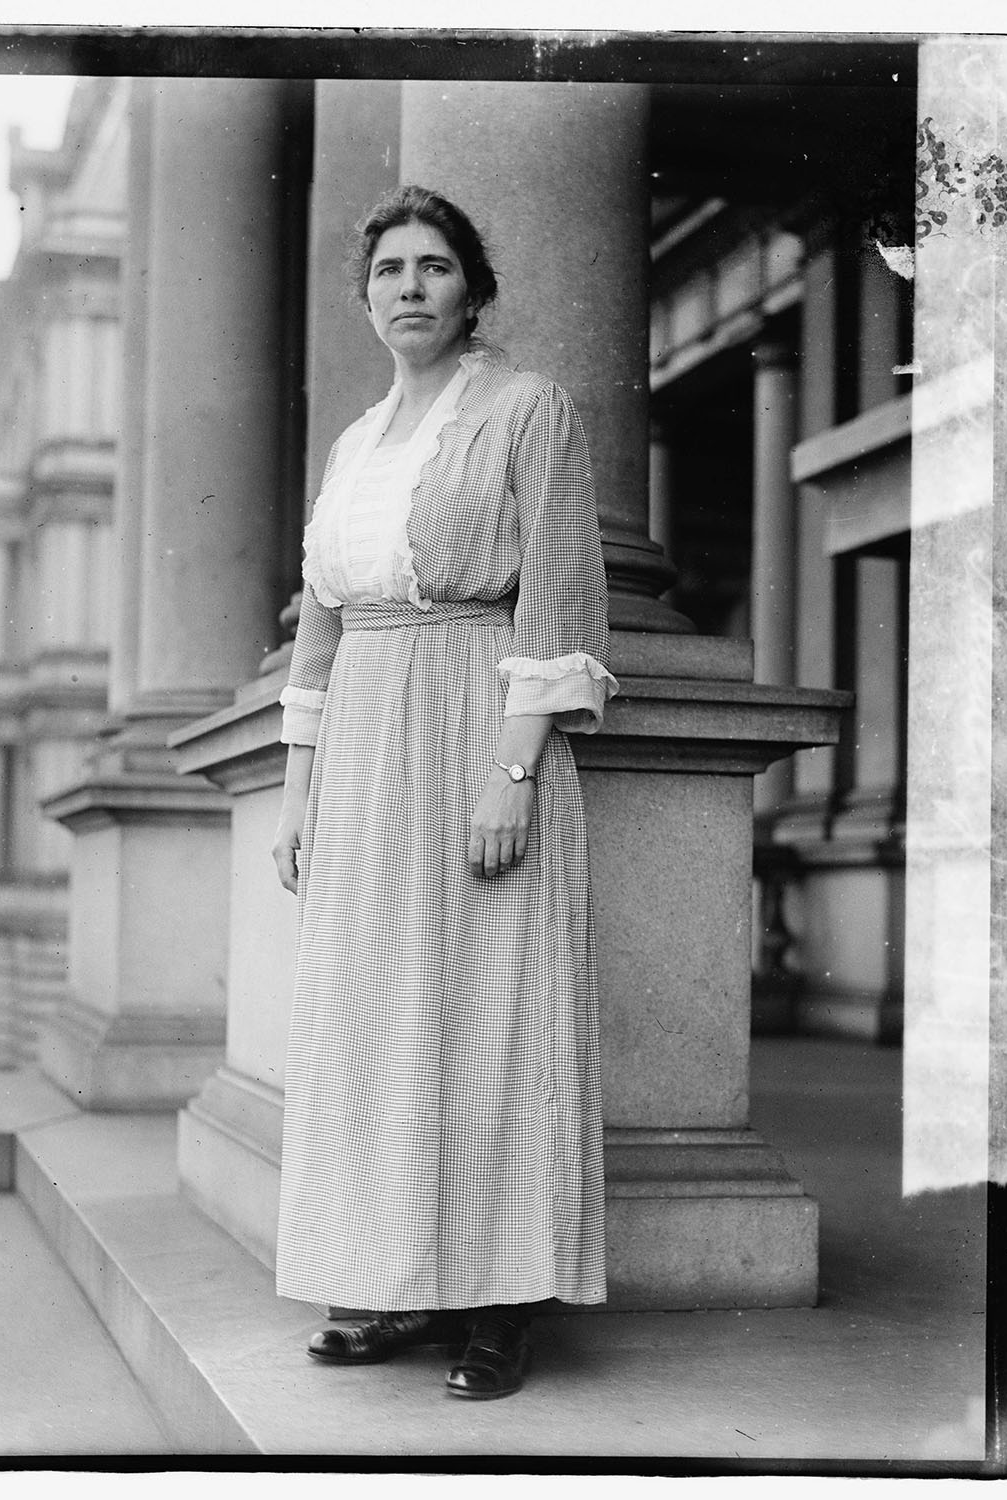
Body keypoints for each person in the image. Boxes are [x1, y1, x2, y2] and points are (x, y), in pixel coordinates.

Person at [271, 184, 617, 1401]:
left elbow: (560, 599)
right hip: (364, 737)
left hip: (480, 718)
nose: (408, 287)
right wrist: (301, 787)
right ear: (366, 299)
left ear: (472, 290)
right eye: (387, 271)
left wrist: (512, 771)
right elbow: (320, 630)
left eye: (432, 267)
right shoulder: (355, 447)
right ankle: (392, 1282)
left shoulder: (527, 410)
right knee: (373, 1019)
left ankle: (500, 1302)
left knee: (489, 1019)